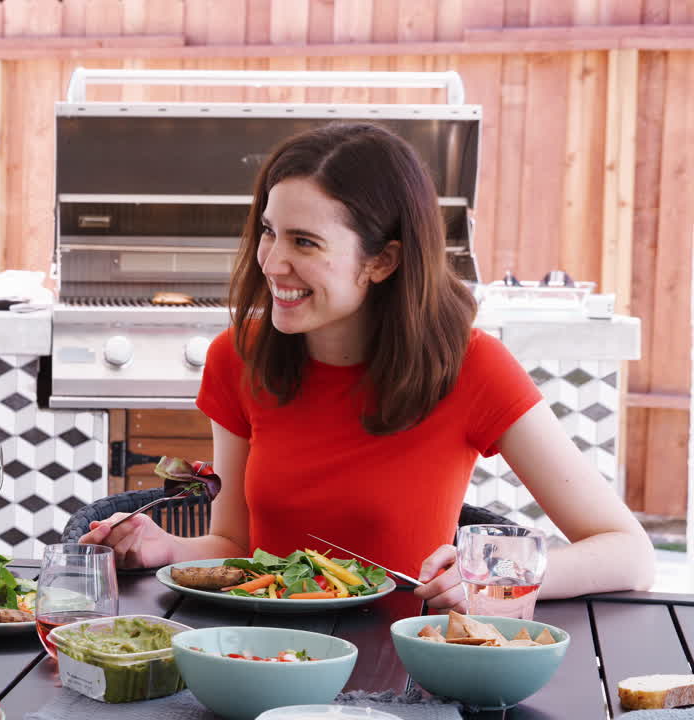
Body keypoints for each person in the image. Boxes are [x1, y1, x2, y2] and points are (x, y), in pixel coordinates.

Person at [81, 122, 654, 609]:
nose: (273, 262)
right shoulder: (238, 358)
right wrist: (167, 550)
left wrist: (500, 571)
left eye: (305, 243)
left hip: (408, 680)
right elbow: (237, 544)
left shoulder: (471, 367)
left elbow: (628, 552)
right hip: (259, 659)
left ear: (383, 260)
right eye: (269, 232)